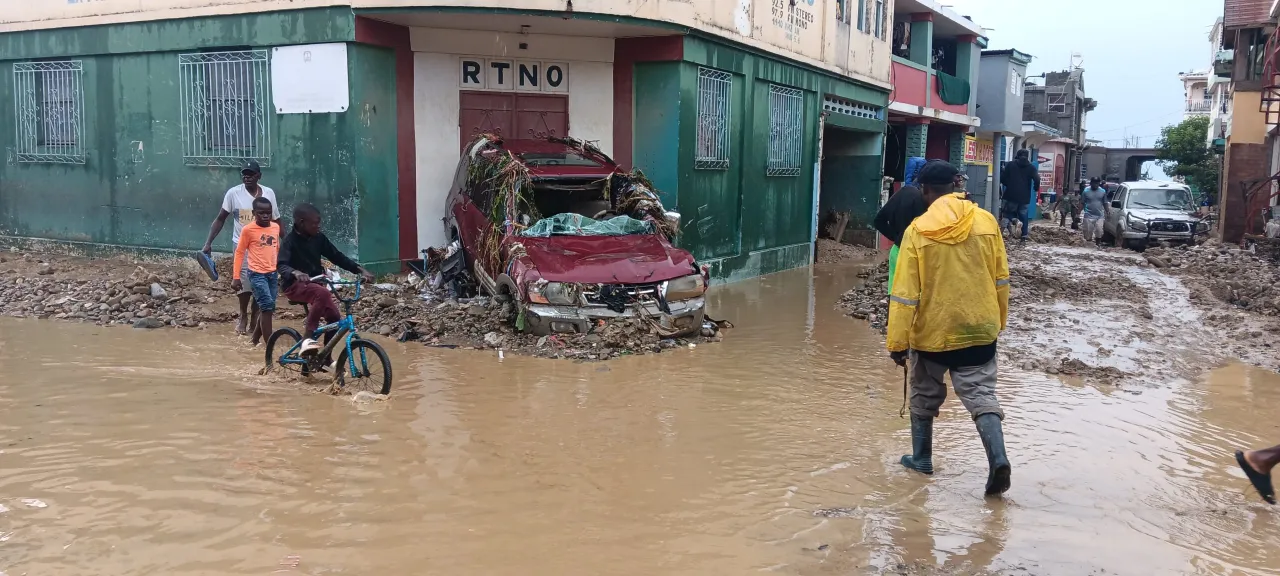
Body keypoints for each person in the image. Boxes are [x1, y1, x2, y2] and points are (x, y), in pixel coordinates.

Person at [887, 161, 1012, 497]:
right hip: (979, 329)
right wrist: (996, 321)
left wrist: (897, 343)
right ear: (955, 187)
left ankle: (922, 459)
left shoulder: (918, 230)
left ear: (926, 191)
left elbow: (904, 295)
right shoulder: (986, 221)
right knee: (982, 395)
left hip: (933, 333)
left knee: (924, 394)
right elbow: (1001, 278)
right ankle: (998, 459)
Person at [278, 203, 376, 355]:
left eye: (319, 223)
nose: (318, 227)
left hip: (315, 284)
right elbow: (281, 265)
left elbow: (336, 257)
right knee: (323, 293)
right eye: (315, 223)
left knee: (335, 319)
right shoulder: (289, 241)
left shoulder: (319, 238)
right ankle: (307, 338)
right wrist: (295, 272)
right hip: (294, 286)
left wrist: (359, 270)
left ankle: (325, 358)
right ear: (301, 222)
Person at [202, 161, 280, 335]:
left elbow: (276, 220)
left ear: (259, 176)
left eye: (251, 174)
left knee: (261, 285)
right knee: (245, 285)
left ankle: (255, 318)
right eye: (244, 174)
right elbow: (220, 218)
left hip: (264, 245)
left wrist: (287, 245)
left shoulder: (269, 194)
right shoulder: (234, 193)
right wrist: (208, 243)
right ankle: (243, 315)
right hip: (242, 244)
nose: (247, 177)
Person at [230, 197, 280, 347]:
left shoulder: (275, 227)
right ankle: (269, 347)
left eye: (268, 213)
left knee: (268, 308)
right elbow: (239, 253)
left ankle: (254, 340)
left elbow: (276, 248)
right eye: (261, 213)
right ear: (254, 213)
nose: (265, 216)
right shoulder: (248, 230)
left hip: (272, 274)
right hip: (257, 275)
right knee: (267, 307)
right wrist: (236, 277)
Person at [873, 168, 930, 294]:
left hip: (897, 250)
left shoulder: (903, 192)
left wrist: (896, 237)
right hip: (919, 252)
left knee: (894, 293)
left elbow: (878, 221)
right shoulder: (930, 202)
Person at [999, 149, 1038, 241]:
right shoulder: (1031, 167)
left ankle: (1014, 221)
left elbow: (1002, 177)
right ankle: (1024, 235)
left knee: (1007, 213)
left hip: (1010, 195)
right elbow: (1037, 179)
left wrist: (1008, 184)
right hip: (1024, 197)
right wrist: (1036, 188)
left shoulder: (1010, 165)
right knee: (1024, 215)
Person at [1081, 177, 1109, 246]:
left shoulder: (1102, 191)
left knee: (1099, 230)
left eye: (1097, 183)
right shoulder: (1086, 191)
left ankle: (1098, 244)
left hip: (1099, 215)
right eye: (1094, 183)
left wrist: (1107, 211)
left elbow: (1105, 202)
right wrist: (1078, 213)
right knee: (1088, 232)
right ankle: (1088, 244)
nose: (1095, 185)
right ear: (1091, 183)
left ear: (1099, 183)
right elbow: (1082, 202)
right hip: (1088, 214)